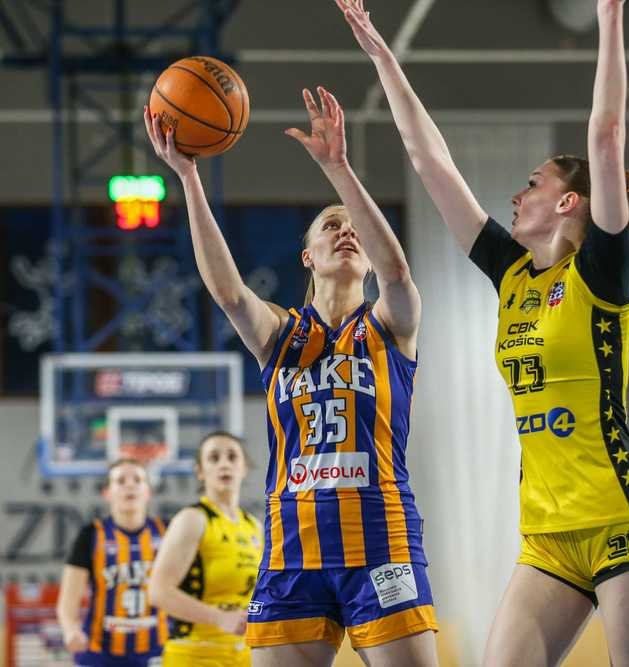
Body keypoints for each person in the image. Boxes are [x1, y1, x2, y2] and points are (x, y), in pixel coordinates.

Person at [336, 0, 629, 665]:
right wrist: (382, 54)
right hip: (548, 538)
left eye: (533, 184)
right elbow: (431, 163)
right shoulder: (511, 273)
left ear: (568, 202)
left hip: (625, 525)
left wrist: (610, 17)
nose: (516, 196)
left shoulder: (598, 271)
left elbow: (607, 135)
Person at [144, 84, 438, 666]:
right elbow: (228, 292)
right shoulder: (281, 333)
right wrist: (189, 178)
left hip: (380, 540)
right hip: (292, 548)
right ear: (307, 256)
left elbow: (398, 274)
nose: (345, 230)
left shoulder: (389, 325)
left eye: (353, 226)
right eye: (331, 225)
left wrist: (339, 171)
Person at [146, 431, 261, 667]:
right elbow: (158, 591)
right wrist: (219, 618)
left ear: (244, 467)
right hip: (195, 654)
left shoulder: (254, 526)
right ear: (200, 471)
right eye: (214, 458)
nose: (224, 464)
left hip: (244, 654)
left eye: (232, 457)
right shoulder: (192, 519)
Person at [57, 458, 167, 667]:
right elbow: (68, 601)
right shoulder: (91, 534)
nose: (130, 485)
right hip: (100, 652)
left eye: (137, 480)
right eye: (121, 480)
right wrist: (71, 630)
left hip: (156, 648)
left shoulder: (167, 532)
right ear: (107, 493)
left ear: (148, 492)